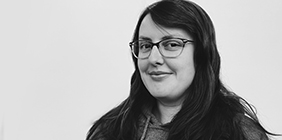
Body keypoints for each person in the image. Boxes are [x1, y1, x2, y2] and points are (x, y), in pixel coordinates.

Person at [86, 0, 278, 139]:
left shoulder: (240, 134)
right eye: (145, 45)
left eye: (171, 44)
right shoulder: (108, 132)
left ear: (201, 53)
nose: (153, 58)